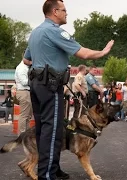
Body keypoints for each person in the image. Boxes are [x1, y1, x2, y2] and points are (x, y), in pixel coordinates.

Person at [23, 1, 114, 179]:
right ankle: (47, 174)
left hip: (36, 83)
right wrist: (103, 52)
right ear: (55, 11)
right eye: (64, 10)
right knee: (53, 129)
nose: (66, 13)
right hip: (50, 85)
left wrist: (45, 64)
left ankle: (52, 169)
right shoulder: (55, 31)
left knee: (44, 129)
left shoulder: (36, 32)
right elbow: (84, 53)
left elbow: (26, 60)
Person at [15, 60, 33, 133]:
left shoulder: (26, 67)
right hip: (24, 92)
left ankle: (26, 136)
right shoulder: (21, 68)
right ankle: (21, 136)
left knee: (28, 117)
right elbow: (24, 82)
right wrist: (34, 79)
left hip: (27, 92)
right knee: (24, 116)